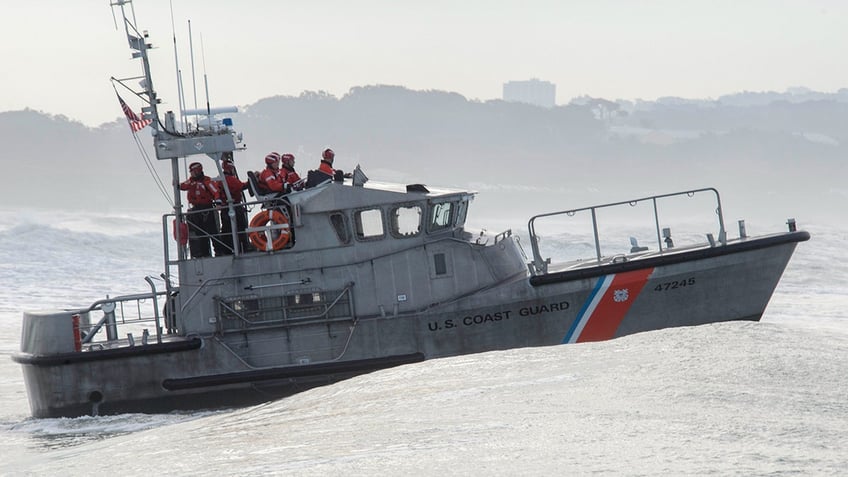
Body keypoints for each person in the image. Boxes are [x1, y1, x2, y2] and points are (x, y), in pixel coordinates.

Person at [179, 162, 221, 258]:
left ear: (198, 171)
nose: (191, 173)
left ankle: (219, 251)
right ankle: (205, 254)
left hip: (207, 209)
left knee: (213, 232)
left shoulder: (207, 181)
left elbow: (215, 192)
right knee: (200, 234)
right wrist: (177, 184)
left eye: (192, 171)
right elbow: (183, 186)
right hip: (196, 210)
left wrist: (218, 203)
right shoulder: (190, 182)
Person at [216, 156, 251, 254]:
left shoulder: (221, 179)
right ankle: (243, 247)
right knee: (240, 227)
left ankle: (227, 249)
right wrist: (252, 181)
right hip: (233, 207)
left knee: (227, 230)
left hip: (226, 208)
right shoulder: (230, 179)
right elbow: (241, 186)